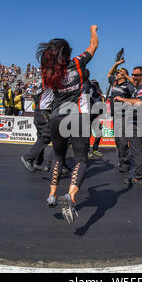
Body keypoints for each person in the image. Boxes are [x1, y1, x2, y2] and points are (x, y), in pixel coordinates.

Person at [42, 25, 99, 225]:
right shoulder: (77, 63)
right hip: (77, 116)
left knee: (58, 156)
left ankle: (51, 194)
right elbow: (94, 45)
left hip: (57, 118)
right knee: (81, 160)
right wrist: (92, 29)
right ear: (67, 54)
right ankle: (70, 196)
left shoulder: (48, 73)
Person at [114, 67, 142, 186]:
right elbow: (133, 82)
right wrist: (125, 75)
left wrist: (122, 99)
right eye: (133, 75)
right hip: (133, 121)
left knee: (136, 150)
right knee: (135, 148)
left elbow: (139, 102)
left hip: (137, 122)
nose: (133, 77)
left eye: (136, 75)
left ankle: (138, 177)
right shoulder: (138, 86)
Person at [21, 74, 55, 173]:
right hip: (43, 112)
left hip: (39, 113)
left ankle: (37, 162)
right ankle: (28, 157)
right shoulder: (50, 82)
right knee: (46, 137)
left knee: (41, 137)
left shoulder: (42, 86)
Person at [108, 61, 135, 172]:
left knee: (123, 140)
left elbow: (136, 83)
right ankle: (121, 160)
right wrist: (116, 64)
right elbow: (109, 74)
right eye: (118, 73)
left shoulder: (128, 85)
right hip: (116, 116)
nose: (117, 74)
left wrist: (126, 75)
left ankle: (126, 163)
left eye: (120, 73)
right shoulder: (114, 83)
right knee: (118, 140)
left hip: (125, 116)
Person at [87, 79, 105, 158]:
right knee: (87, 135)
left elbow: (101, 106)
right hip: (88, 117)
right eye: (94, 84)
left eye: (96, 84)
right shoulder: (88, 93)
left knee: (99, 133)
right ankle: (87, 150)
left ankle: (95, 149)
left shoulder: (99, 94)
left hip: (96, 117)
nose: (95, 85)